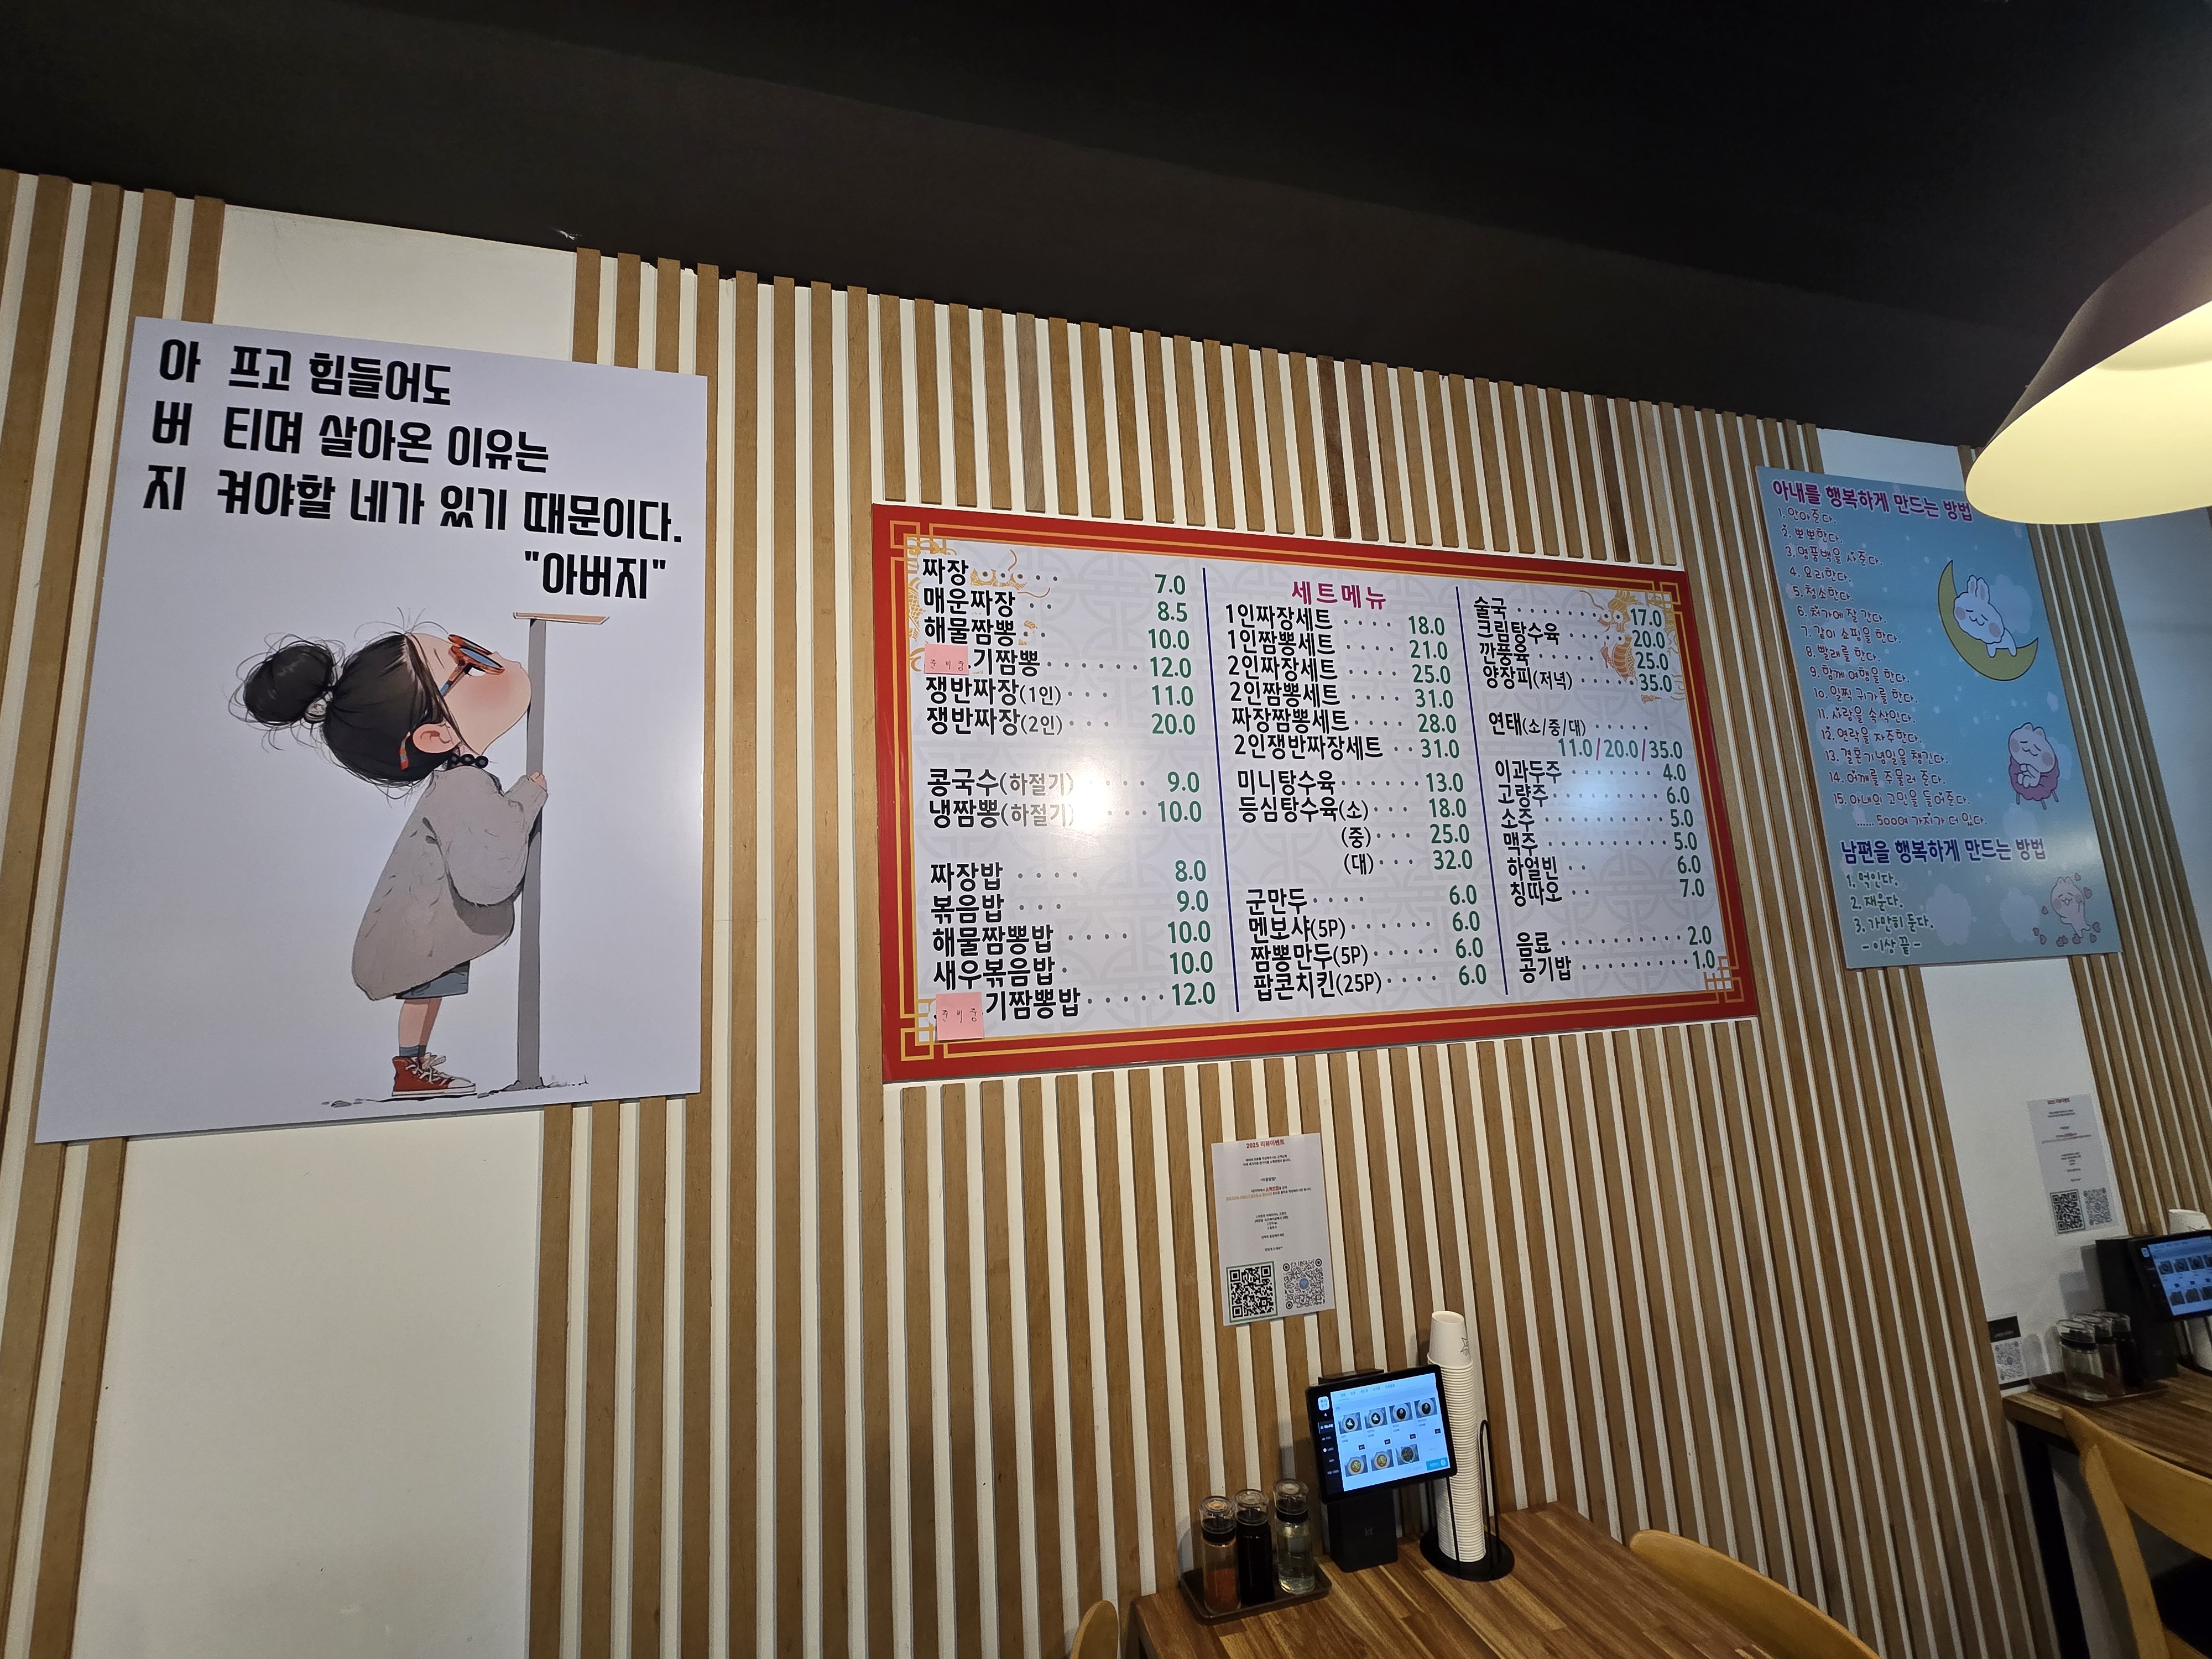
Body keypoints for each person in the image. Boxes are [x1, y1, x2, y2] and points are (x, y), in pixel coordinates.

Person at [240, 627, 547, 1097]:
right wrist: (528, 797)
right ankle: (411, 1070)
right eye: (472, 664)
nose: (498, 662)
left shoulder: (460, 782)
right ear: (435, 735)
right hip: (424, 929)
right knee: (425, 993)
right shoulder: (462, 786)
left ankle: (413, 1066)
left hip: (422, 925)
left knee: (428, 994)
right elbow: (489, 874)